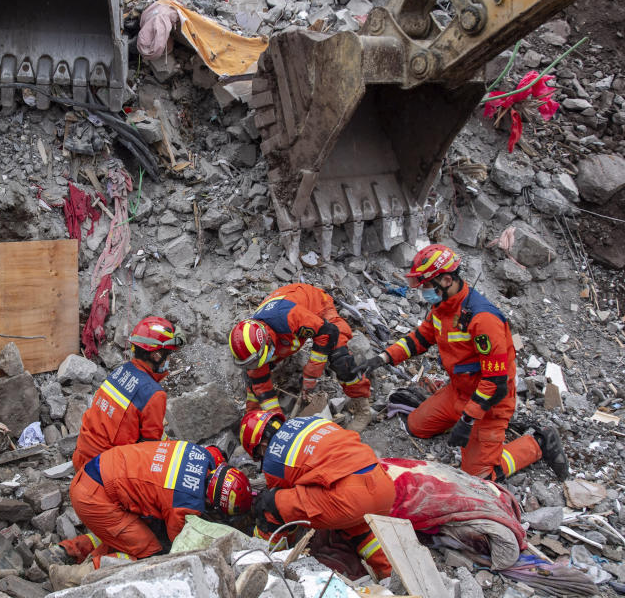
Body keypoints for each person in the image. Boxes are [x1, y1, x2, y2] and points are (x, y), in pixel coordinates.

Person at [360, 244, 569, 481]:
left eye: (427, 286)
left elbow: (495, 382)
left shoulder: (483, 320)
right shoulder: (441, 308)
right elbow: (420, 338)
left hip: (489, 405)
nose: (424, 292)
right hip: (459, 392)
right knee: (415, 427)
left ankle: (539, 443)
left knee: (478, 477)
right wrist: (383, 358)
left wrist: (468, 420)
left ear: (447, 280)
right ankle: (460, 426)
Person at [44, 440, 252, 587]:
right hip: (95, 497)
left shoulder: (202, 454)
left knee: (134, 531)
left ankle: (64, 551)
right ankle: (72, 577)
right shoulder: (183, 505)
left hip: (96, 471)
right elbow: (180, 548)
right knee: (150, 555)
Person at [240, 409, 394, 579]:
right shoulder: (310, 422)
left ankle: (271, 564)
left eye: (258, 456)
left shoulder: (273, 459)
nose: (262, 459)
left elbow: (286, 509)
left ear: (262, 446)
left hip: (349, 499)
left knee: (269, 504)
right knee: (359, 527)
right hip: (383, 486)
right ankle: (393, 577)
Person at [228, 283, 372, 431]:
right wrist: (275, 425)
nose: (255, 366)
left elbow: (328, 332)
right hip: (289, 317)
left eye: (256, 362)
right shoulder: (255, 343)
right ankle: (254, 422)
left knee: (340, 358)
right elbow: (260, 386)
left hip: (317, 305)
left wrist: (310, 376)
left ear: (267, 343)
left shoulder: (288, 318)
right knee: (254, 382)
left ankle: (363, 409)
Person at [72, 316, 184, 471]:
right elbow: (150, 450)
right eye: (168, 355)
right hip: (102, 473)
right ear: (156, 355)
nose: (169, 360)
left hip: (82, 457)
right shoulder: (154, 394)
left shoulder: (122, 370)